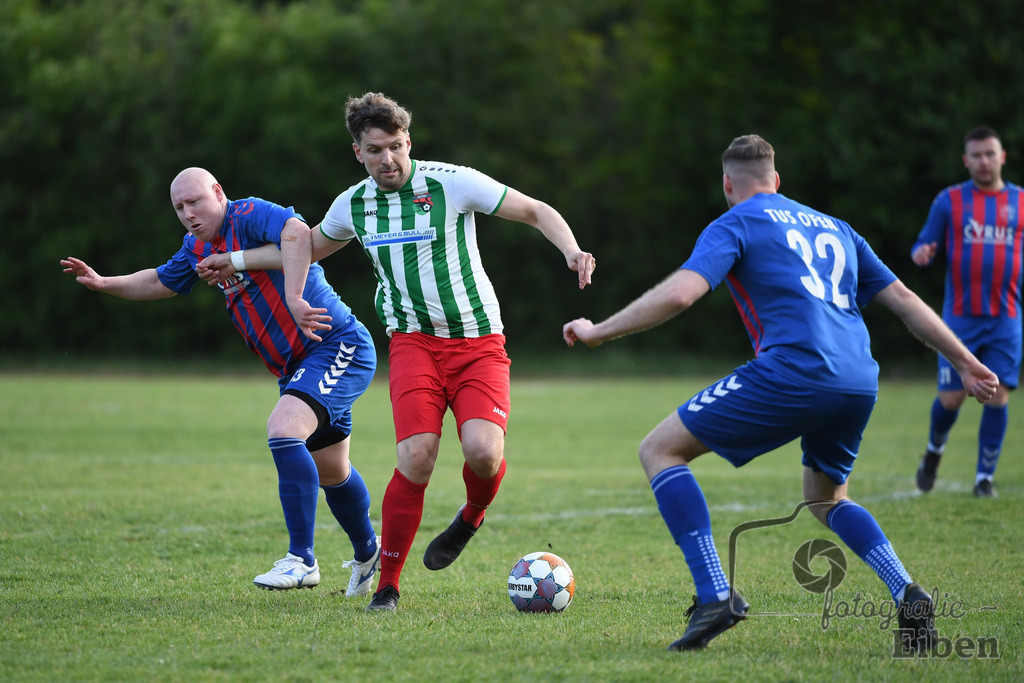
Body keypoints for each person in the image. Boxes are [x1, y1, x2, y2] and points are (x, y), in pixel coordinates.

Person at [562, 135, 998, 652]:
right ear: (778, 180)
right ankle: (908, 594)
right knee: (827, 498)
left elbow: (681, 292)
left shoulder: (737, 221)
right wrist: (967, 363)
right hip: (859, 378)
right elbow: (903, 299)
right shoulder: (838, 228)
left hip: (794, 371)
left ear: (728, 183)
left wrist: (598, 331)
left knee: (660, 449)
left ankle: (714, 596)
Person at [205, 92, 597, 611]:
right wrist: (236, 259)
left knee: (483, 452)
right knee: (415, 457)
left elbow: (535, 209)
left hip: (479, 342)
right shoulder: (353, 204)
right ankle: (387, 586)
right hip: (413, 344)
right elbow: (304, 247)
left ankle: (472, 515)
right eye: (375, 150)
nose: (388, 159)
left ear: (408, 142)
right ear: (358, 153)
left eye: (395, 147)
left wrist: (571, 250)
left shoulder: (451, 183)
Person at [60, 167, 382, 596]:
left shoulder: (247, 214)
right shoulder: (195, 247)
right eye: (179, 207)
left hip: (335, 344)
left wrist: (293, 296)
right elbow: (160, 280)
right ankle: (368, 553)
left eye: (195, 201)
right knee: (332, 470)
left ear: (218, 192)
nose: (188, 214)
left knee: (284, 431)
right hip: (294, 366)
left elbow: (298, 232)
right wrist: (104, 283)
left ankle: (302, 559)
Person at [911, 126, 1022, 498]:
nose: (984, 161)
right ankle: (933, 451)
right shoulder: (950, 201)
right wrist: (922, 252)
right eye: (977, 155)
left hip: (1006, 317)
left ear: (1002, 156)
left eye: (990, 153)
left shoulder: (1020, 202)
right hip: (959, 319)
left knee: (999, 393)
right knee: (952, 398)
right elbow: (924, 241)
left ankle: (983, 480)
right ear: (966, 160)